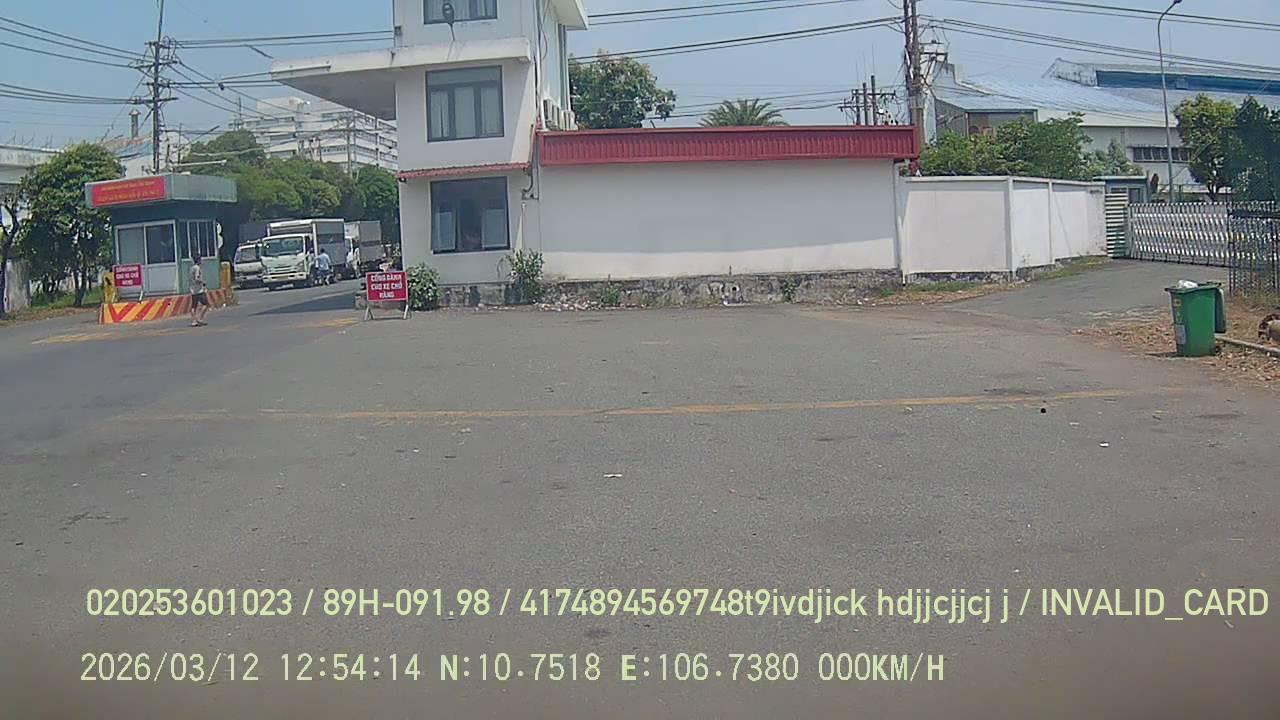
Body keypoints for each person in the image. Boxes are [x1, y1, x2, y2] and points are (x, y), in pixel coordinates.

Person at [189, 254, 210, 327]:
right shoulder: (197, 268)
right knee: (206, 304)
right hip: (199, 290)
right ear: (198, 260)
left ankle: (194, 321)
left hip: (193, 289)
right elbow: (196, 278)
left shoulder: (191, 268)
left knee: (194, 306)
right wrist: (203, 282)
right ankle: (200, 318)